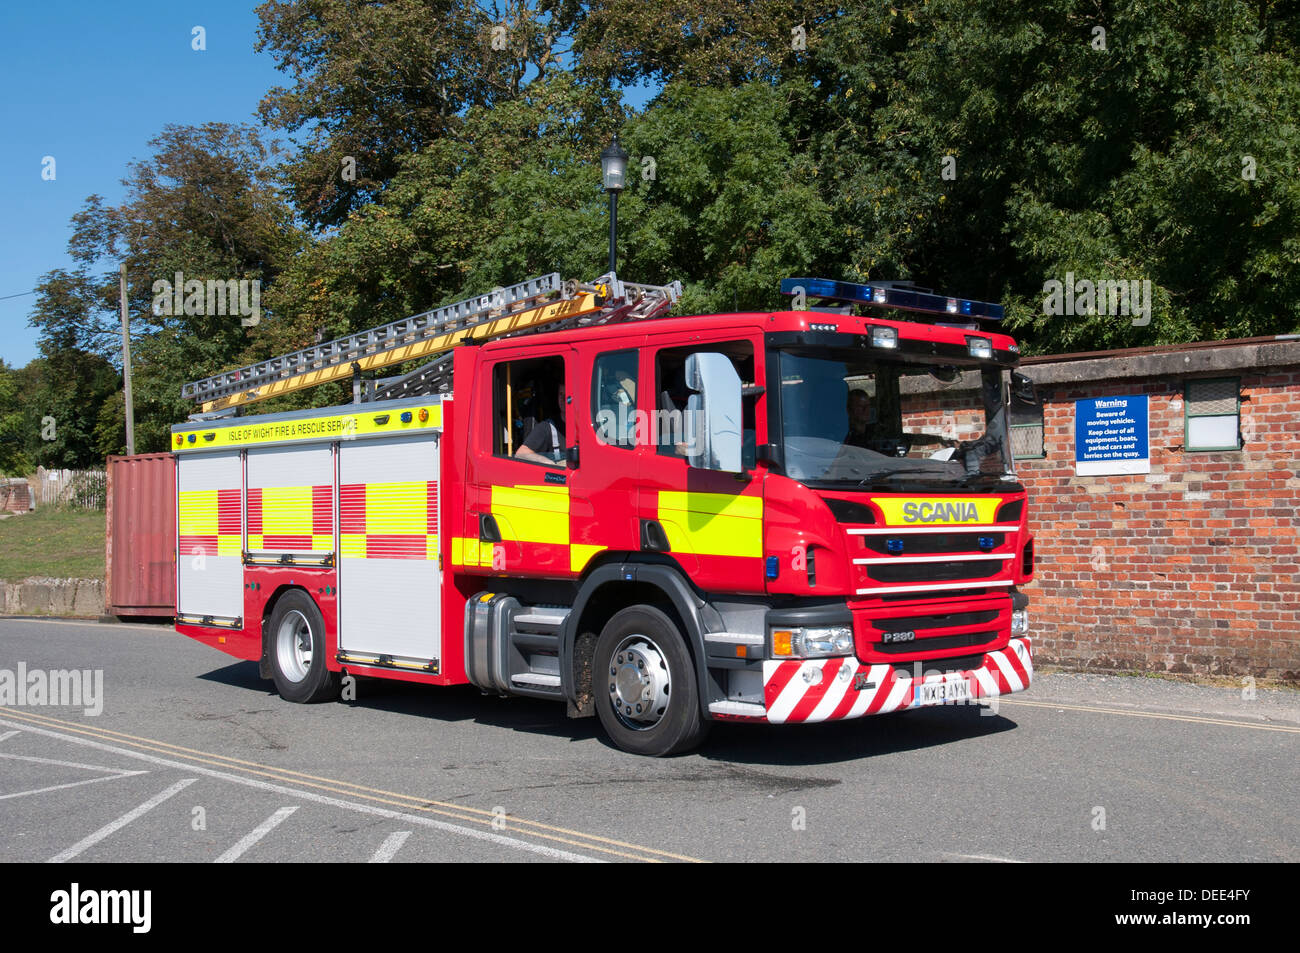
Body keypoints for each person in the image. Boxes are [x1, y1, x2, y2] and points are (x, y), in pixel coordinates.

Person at [515, 380, 566, 465]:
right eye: (561, 394)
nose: (563, 399)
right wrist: (547, 462)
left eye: (568, 394)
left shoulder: (589, 425)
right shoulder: (547, 427)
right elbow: (521, 454)